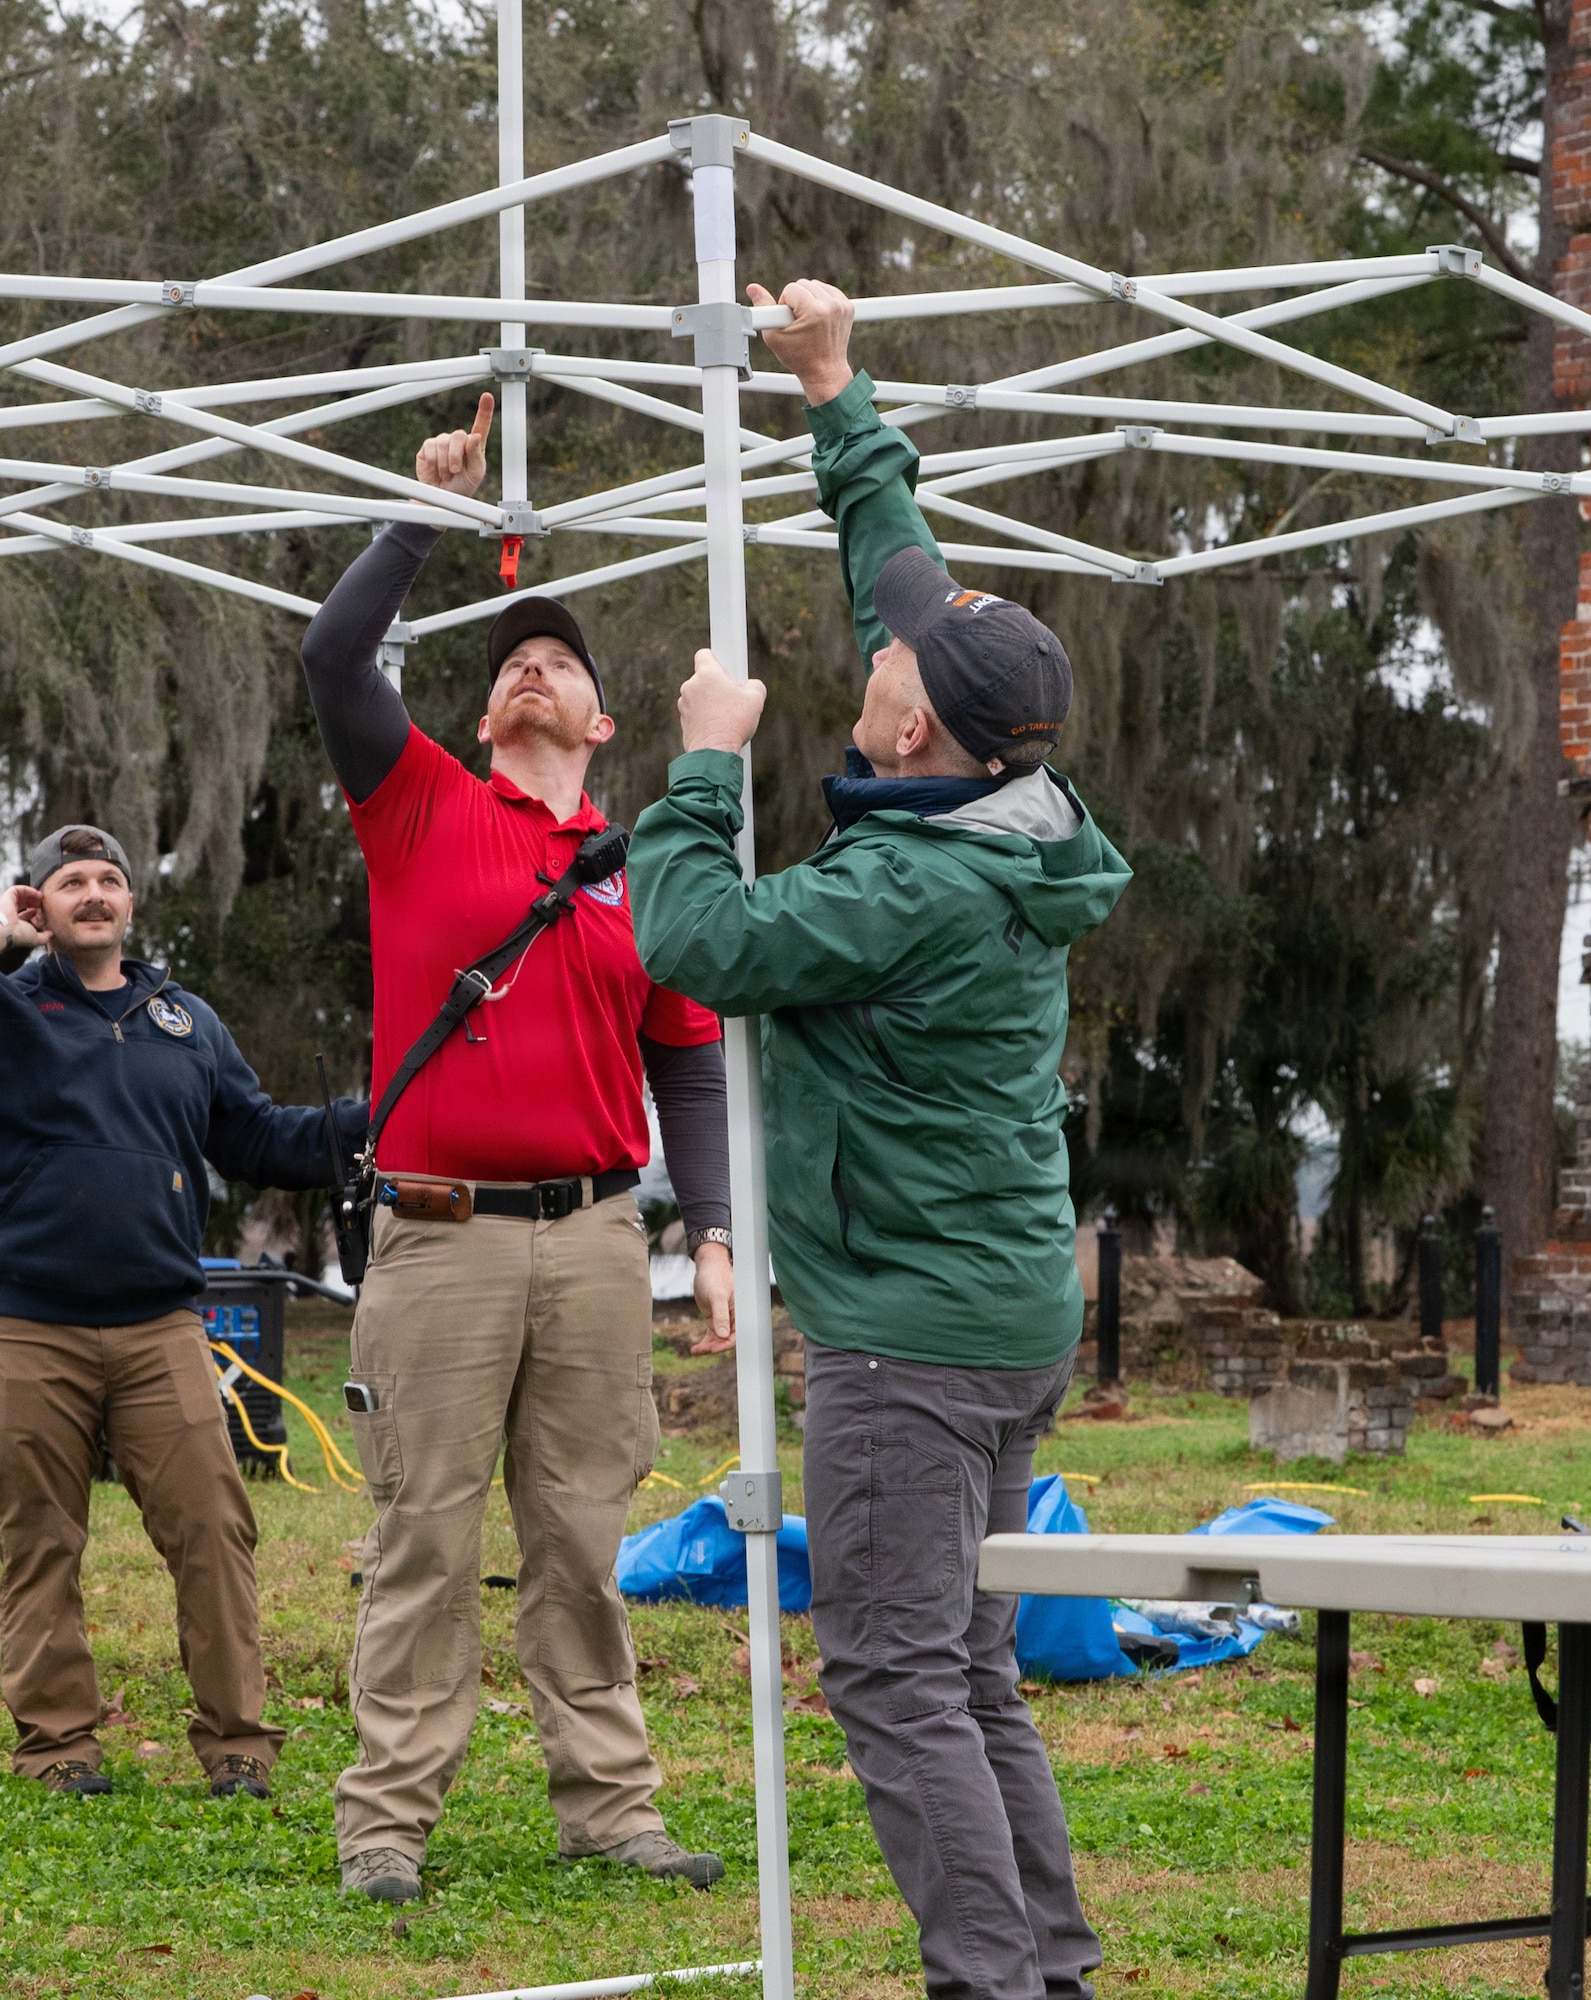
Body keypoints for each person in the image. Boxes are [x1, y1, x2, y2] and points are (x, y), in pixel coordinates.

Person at [626, 282, 1132, 2000]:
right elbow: (900, 569)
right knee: (965, 1673)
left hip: (906, 1345)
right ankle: (1041, 1972)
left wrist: (701, 770)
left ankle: (992, 1986)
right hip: (999, 1317)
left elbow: (696, 944)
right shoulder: (1021, 810)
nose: (870, 651)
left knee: (901, 1678)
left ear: (911, 727)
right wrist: (834, 393)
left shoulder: (906, 884)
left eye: (884, 669)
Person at [298, 398, 736, 1903]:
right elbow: (330, 661)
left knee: (581, 1537)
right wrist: (415, 513)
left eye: (560, 662)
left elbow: (687, 1057)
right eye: (509, 665)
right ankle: (385, 1827)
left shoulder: (641, 870)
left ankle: (609, 1808)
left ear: (600, 722)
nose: (531, 669)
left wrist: (715, 1234)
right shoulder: (416, 803)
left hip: (603, 1241)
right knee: (422, 1530)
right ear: (481, 716)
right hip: (440, 1234)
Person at [0, 824, 364, 1801]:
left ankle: (238, 1750)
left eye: (109, 880)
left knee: (215, 1528)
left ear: (131, 903)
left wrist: (365, 1120)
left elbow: (257, 1136)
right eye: (70, 881)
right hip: (27, 1324)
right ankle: (60, 1750)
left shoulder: (187, 1021)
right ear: (38, 902)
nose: (93, 893)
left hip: (162, 1325)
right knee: (39, 1537)